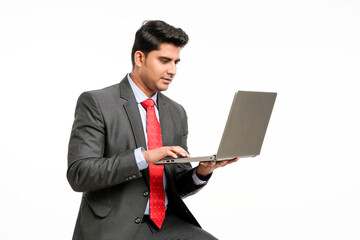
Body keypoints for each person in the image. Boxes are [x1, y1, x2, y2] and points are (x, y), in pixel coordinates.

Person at [67, 20, 238, 240]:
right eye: (164, 60)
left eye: (176, 62)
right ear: (140, 58)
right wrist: (143, 157)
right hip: (115, 226)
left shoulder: (176, 112)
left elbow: (176, 186)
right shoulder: (97, 103)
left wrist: (201, 172)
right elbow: (79, 174)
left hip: (166, 223)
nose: (172, 70)